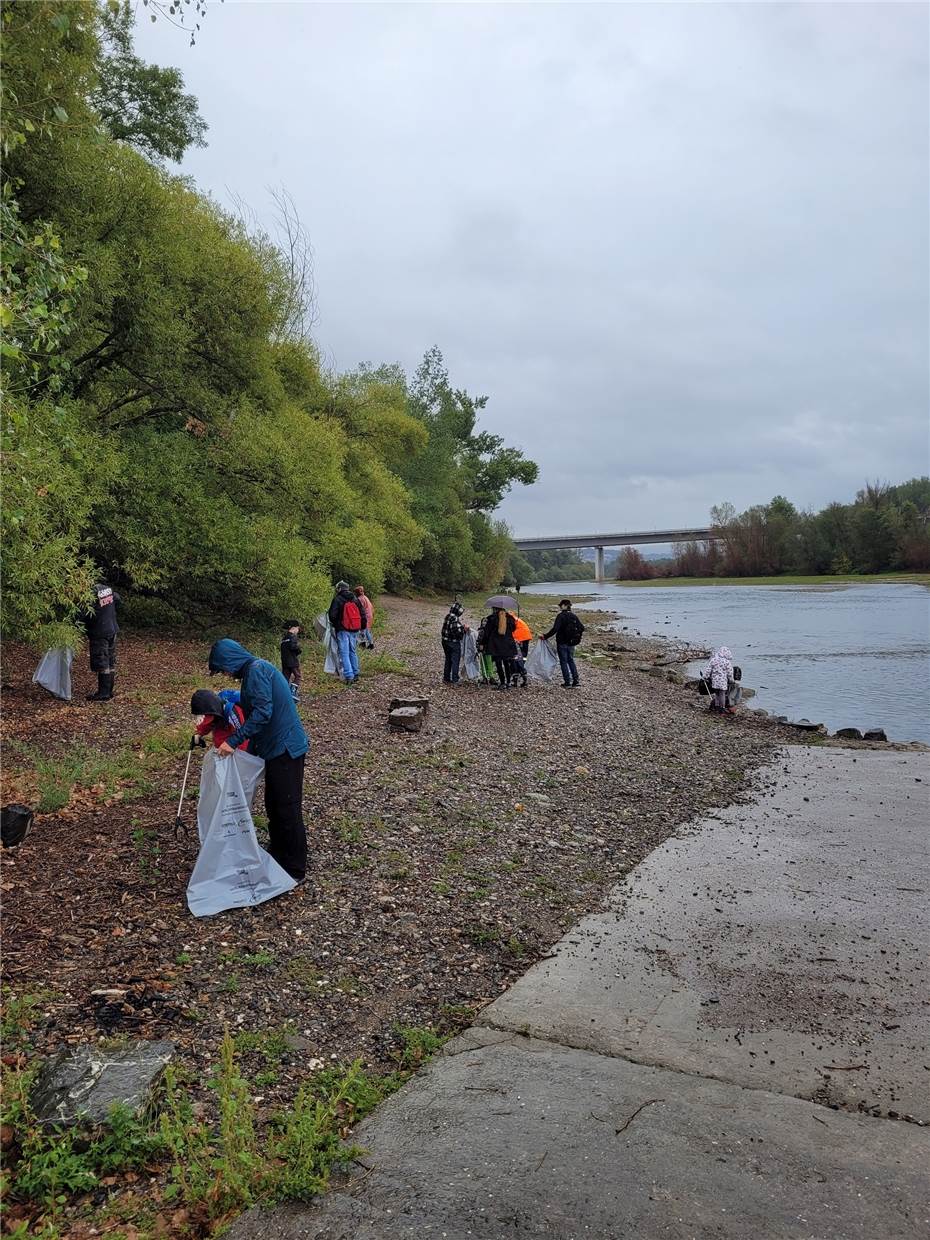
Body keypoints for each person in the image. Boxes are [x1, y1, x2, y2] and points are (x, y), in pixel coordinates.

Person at [208, 639, 309, 882]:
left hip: (286, 748)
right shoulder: (254, 671)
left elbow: (263, 713)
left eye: (224, 668)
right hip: (275, 749)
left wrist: (233, 742)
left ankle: (295, 867)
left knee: (287, 807)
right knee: (274, 804)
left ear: (231, 660)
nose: (225, 673)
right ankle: (279, 854)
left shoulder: (256, 671)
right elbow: (255, 705)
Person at [84, 582, 121, 702]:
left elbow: (83, 614)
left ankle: (103, 694)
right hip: (112, 629)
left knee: (102, 662)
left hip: (100, 633)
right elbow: (118, 599)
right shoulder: (107, 589)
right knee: (110, 661)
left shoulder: (90, 594)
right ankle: (109, 691)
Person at [542, 599, 584, 689]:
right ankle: (576, 681)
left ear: (565, 605)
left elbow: (555, 629)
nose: (560, 607)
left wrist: (545, 636)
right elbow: (582, 628)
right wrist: (576, 637)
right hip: (572, 643)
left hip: (562, 642)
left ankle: (567, 682)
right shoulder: (574, 616)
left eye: (561, 605)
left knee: (564, 662)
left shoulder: (561, 616)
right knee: (571, 660)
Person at [328, 581, 363, 685]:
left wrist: (337, 625)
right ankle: (356, 673)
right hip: (355, 629)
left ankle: (349, 676)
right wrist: (362, 626)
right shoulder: (355, 599)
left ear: (339, 589)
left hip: (343, 630)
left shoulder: (337, 599)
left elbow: (332, 616)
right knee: (353, 651)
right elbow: (362, 613)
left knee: (344, 653)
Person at [481, 606, 519, 689]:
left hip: (496, 645)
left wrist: (482, 643)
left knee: (499, 664)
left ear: (495, 609)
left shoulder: (491, 619)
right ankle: (508, 682)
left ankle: (502, 683)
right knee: (506, 664)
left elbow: (486, 633)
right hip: (508, 644)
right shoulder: (510, 618)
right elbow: (513, 629)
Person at [441, 602, 468, 686]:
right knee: (455, 661)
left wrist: (460, 627)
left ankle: (446, 678)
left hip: (445, 641)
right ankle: (455, 679)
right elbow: (456, 632)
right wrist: (464, 630)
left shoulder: (448, 616)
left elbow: (448, 628)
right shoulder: (455, 618)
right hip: (453, 642)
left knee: (448, 659)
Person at [703, 646, 735, 713]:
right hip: (723, 681)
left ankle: (716, 706)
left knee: (717, 694)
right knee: (722, 694)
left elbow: (708, 669)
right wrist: (731, 680)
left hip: (715, 680)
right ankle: (722, 708)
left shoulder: (714, 660)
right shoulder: (727, 662)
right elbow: (730, 672)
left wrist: (705, 676)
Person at [508, 611, 532, 687]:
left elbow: (510, 632)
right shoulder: (517, 619)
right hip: (526, 637)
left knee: (515, 658)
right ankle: (522, 677)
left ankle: (517, 678)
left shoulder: (510, 620)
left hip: (519, 639)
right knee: (523, 657)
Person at [280, 621, 302, 700]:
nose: (298, 630)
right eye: (298, 628)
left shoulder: (284, 638)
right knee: (298, 676)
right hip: (293, 661)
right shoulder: (293, 637)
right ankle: (292, 692)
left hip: (285, 661)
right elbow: (293, 647)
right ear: (294, 628)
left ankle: (282, 693)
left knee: (285, 677)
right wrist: (299, 650)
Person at [475, 617, 496, 684]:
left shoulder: (489, 631)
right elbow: (477, 640)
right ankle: (485, 677)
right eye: (483, 621)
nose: (484, 623)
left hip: (488, 649)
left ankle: (490, 677)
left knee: (489, 663)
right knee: (483, 663)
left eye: (486, 621)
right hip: (483, 649)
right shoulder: (481, 631)